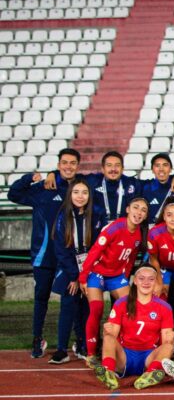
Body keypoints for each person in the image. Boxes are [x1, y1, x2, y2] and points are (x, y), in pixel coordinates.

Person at [9, 147, 81, 358]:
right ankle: (37, 338)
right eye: (64, 163)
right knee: (41, 297)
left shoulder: (80, 189)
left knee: (72, 297)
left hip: (67, 257)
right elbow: (14, 194)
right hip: (44, 256)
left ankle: (79, 340)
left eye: (73, 163)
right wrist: (29, 178)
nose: (68, 166)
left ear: (77, 167)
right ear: (58, 165)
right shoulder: (43, 188)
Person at [79, 197, 149, 367]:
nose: (138, 212)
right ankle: (90, 353)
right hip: (97, 273)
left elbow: (131, 257)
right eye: (136, 207)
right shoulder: (115, 227)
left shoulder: (139, 234)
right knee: (96, 308)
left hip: (116, 276)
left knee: (130, 307)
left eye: (143, 210)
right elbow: (95, 251)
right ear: (127, 209)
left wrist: (125, 275)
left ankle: (124, 347)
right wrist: (83, 277)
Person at [49, 177, 106, 365]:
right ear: (69, 194)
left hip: (90, 267)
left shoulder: (96, 214)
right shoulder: (62, 216)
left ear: (90, 195)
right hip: (69, 269)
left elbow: (100, 245)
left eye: (84, 192)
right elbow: (61, 250)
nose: (80, 196)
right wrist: (75, 276)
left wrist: (87, 273)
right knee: (68, 306)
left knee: (88, 309)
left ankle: (83, 346)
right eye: (76, 192)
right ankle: (61, 350)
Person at [92, 265, 174, 391]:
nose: (146, 282)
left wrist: (170, 340)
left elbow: (165, 341)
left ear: (156, 281)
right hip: (124, 356)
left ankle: (150, 374)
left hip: (148, 357)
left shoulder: (164, 307)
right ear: (135, 281)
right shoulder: (121, 303)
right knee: (108, 338)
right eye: (142, 278)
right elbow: (112, 335)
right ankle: (108, 372)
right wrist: (107, 331)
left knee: (169, 346)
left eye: (151, 279)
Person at [85, 151, 141, 223]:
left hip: (123, 230)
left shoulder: (132, 183)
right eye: (109, 165)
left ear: (122, 168)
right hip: (98, 231)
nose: (113, 169)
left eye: (117, 165)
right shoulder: (92, 182)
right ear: (102, 169)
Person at [140, 153, 174, 229]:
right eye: (157, 165)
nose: (161, 169)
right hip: (152, 233)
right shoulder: (145, 187)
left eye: (165, 165)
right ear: (152, 170)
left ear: (170, 169)